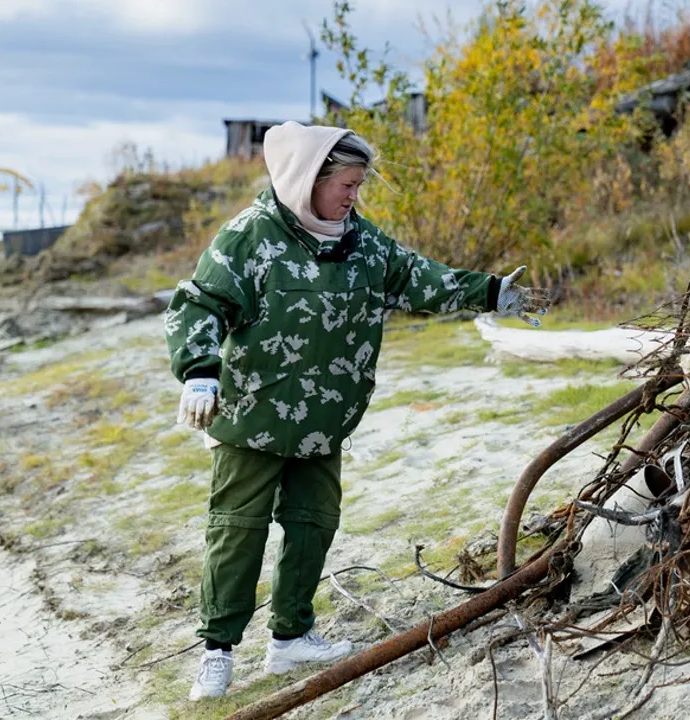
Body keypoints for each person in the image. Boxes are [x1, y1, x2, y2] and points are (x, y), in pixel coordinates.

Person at [164, 121, 546, 700]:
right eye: (346, 183)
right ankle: (217, 651)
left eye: (358, 184)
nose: (353, 195)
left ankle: (291, 637)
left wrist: (491, 293)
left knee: (313, 523)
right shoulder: (250, 237)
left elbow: (418, 278)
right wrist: (198, 372)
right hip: (253, 419)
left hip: (324, 421)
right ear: (308, 179)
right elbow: (201, 303)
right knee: (237, 531)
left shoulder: (362, 242)